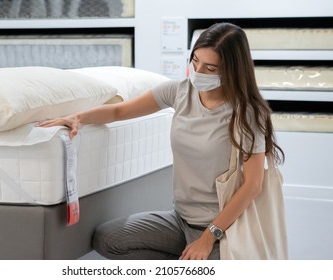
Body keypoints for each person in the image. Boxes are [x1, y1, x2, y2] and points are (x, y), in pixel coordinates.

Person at [37, 22, 285, 260]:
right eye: (195, 61)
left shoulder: (248, 114)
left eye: (210, 69)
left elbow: (253, 185)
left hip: (224, 229)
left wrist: (208, 237)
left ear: (232, 70)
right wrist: (78, 117)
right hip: (181, 220)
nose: (197, 73)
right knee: (109, 239)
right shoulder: (179, 91)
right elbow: (119, 111)